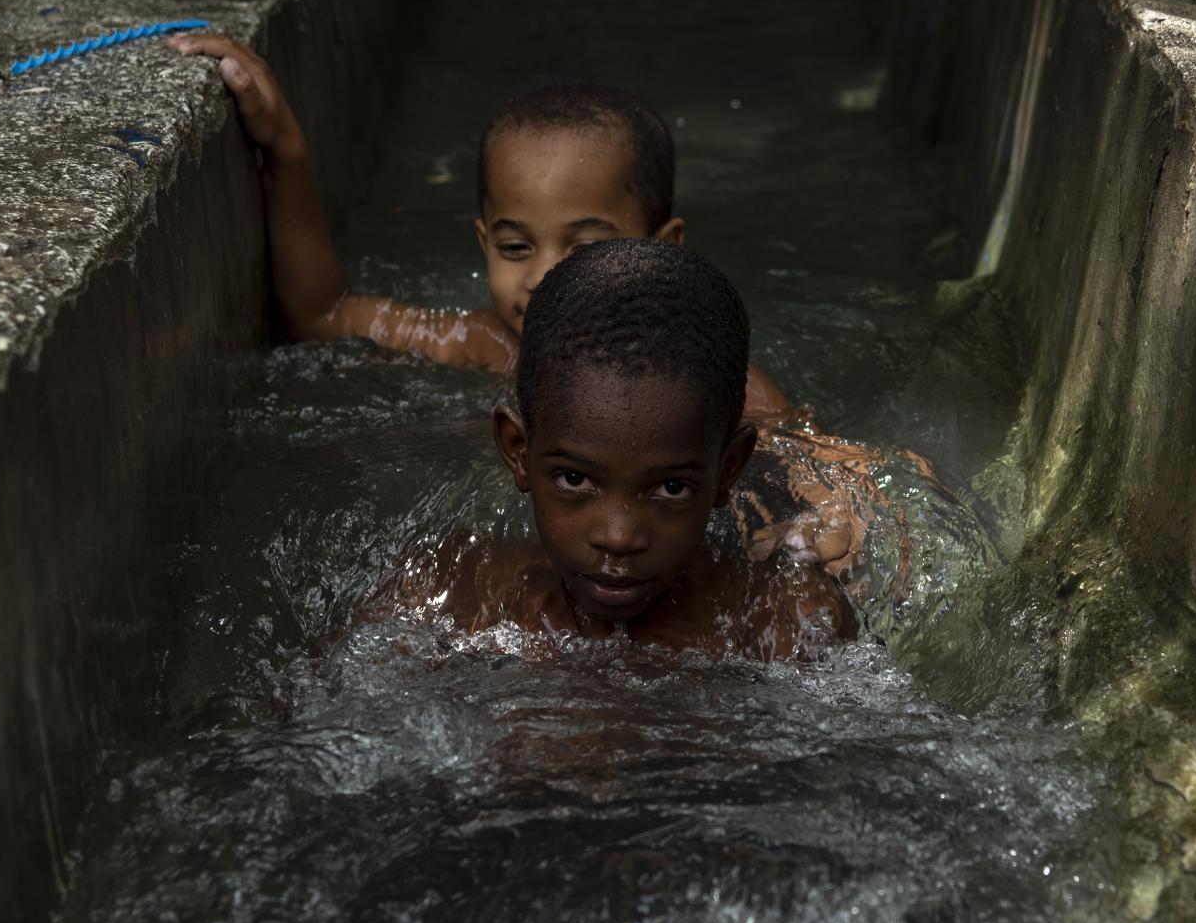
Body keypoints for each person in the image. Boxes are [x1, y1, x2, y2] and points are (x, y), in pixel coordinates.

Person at [166, 33, 794, 422]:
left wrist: (826, 505)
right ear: (483, 244)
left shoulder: (701, 370)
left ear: (665, 251)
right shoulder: (487, 345)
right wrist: (285, 151)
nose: (546, 276)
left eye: (586, 246)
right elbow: (323, 318)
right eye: (516, 246)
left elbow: (817, 455)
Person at [358, 239, 855, 660]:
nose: (619, 537)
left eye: (671, 487)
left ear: (728, 470)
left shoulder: (778, 621)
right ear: (518, 451)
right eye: (574, 480)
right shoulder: (447, 593)